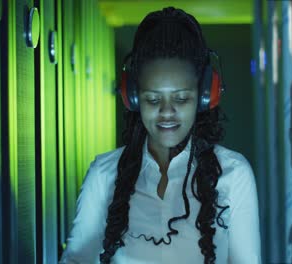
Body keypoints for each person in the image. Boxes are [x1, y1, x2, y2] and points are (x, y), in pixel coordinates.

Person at [59, 6, 260, 264]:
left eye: (181, 98)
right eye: (153, 99)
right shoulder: (104, 174)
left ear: (204, 97)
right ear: (132, 97)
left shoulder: (234, 174)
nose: (167, 112)